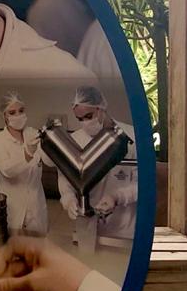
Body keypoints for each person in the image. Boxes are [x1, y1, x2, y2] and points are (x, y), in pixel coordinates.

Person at [57, 85, 138, 244]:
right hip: (90, 226)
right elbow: (65, 176)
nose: (85, 123)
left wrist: (117, 197)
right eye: (80, 119)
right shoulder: (75, 141)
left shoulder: (131, 136)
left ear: (101, 108)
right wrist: (68, 198)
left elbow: (143, 183)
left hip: (125, 227)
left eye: (89, 116)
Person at [0, 92, 54, 237]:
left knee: (36, 247)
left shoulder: (34, 134)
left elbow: (49, 162)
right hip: (12, 206)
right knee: (13, 246)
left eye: (21, 110)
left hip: (36, 206)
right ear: (4, 116)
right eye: (12, 113)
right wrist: (27, 154)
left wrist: (53, 142)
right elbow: (7, 170)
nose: (18, 115)